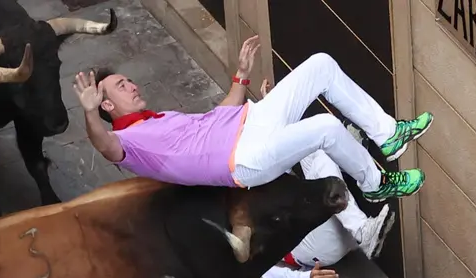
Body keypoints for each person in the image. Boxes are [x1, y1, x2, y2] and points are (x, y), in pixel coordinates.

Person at [71, 35, 432, 204]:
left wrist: (241, 75)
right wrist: (88, 112)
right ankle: (375, 183)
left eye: (128, 80)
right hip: (245, 160)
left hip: (250, 120)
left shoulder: (156, 118)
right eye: (121, 85)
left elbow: (222, 113)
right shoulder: (129, 144)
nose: (131, 85)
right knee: (325, 127)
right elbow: (105, 145)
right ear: (107, 106)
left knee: (321, 62)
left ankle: (388, 134)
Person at [248, 78, 395, 278]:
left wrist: (273, 106)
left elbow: (285, 153)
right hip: (313, 246)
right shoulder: (229, 228)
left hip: (317, 223)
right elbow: (260, 269)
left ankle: (346, 146)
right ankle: (362, 231)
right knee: (320, 161)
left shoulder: (244, 174)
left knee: (313, 147)